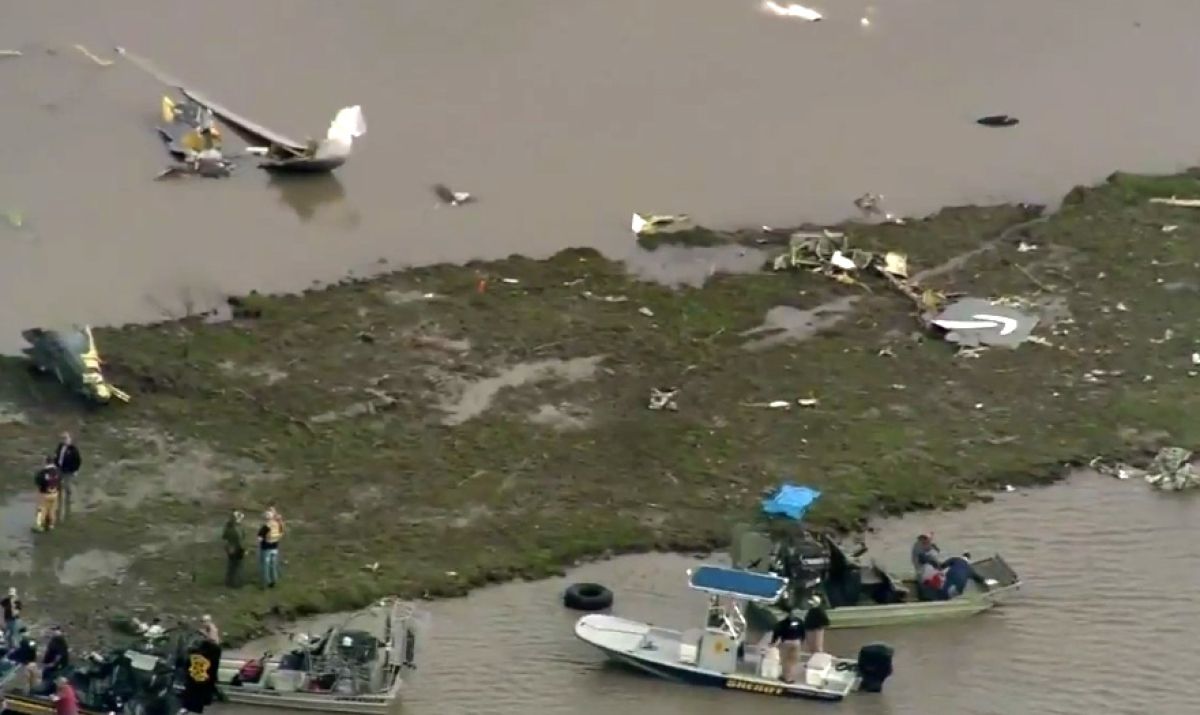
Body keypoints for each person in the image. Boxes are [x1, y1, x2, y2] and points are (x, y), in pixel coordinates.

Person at [52, 432, 82, 523]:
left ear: (70, 439)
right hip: (59, 469)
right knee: (58, 484)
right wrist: (55, 464)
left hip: (69, 471)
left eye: (66, 438)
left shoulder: (73, 449)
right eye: (63, 438)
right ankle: (59, 499)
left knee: (67, 485)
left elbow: (78, 461)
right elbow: (56, 455)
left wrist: (75, 471)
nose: (65, 440)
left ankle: (68, 500)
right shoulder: (60, 446)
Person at [770, 608, 806, 683]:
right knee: (793, 661)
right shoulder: (799, 621)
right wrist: (802, 641)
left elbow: (776, 633)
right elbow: (803, 632)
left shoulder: (782, 623)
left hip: (786, 642)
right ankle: (790, 677)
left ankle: (786, 677)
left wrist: (773, 642)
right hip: (796, 642)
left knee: (785, 660)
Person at [257, 508, 285, 589]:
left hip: (266, 549)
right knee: (273, 564)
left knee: (265, 566)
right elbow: (281, 533)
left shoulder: (266, 526)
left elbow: (259, 538)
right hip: (275, 548)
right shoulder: (278, 524)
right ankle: (274, 580)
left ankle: (265, 582)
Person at [911, 533, 942, 601]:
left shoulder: (924, 546)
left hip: (925, 573)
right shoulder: (918, 546)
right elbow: (923, 558)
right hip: (922, 573)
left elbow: (934, 551)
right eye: (925, 539)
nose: (927, 541)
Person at [35, 459, 62, 532]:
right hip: (55, 493)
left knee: (41, 509)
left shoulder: (43, 472)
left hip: (44, 493)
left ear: (46, 462)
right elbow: (60, 480)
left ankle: (40, 525)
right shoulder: (58, 471)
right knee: (52, 510)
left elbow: (38, 481)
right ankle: (51, 524)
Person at [222, 510, 246, 588]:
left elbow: (224, 537)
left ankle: (229, 581)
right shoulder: (238, 528)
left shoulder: (228, 527)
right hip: (237, 548)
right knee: (238, 566)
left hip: (230, 548)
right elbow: (241, 539)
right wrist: (244, 549)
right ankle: (236, 583)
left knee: (231, 565)